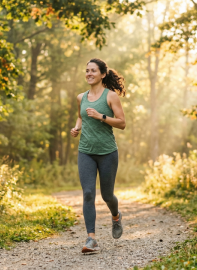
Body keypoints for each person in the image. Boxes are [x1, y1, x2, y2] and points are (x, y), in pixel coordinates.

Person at [70, 58, 127, 254]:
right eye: (87, 70)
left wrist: (100, 117)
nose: (89, 73)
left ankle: (116, 216)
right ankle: (91, 239)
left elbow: (121, 123)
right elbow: (80, 116)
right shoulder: (81, 97)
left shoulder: (110, 97)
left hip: (107, 152)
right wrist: (77, 127)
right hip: (86, 151)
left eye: (93, 70)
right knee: (87, 193)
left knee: (107, 195)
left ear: (103, 74)